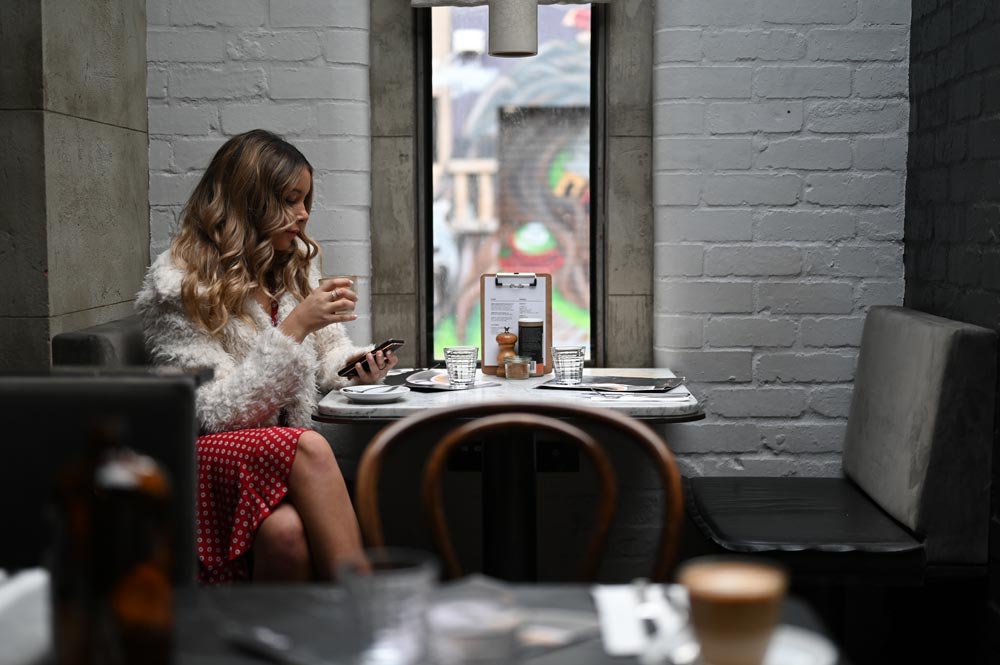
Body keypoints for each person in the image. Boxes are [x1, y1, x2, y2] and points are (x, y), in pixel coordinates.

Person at [135, 129, 398, 584]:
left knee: (285, 534)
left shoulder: (292, 265)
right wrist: (295, 327)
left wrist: (358, 365)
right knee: (309, 445)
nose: (303, 214)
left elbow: (328, 354)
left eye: (305, 200)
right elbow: (212, 413)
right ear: (249, 201)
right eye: (290, 200)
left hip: (279, 455)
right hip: (209, 455)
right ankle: (365, 604)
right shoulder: (180, 284)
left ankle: (289, 630)